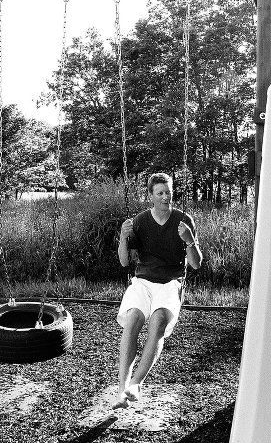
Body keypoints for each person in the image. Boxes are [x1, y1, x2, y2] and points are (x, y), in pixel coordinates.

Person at [113, 172, 202, 409]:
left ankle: (136, 384)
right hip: (143, 281)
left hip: (171, 282)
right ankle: (122, 387)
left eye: (168, 192)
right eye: (160, 193)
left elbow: (196, 264)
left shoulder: (184, 221)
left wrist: (190, 240)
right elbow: (123, 262)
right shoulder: (140, 221)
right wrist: (123, 238)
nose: (165, 197)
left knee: (158, 320)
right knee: (133, 319)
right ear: (151, 196)